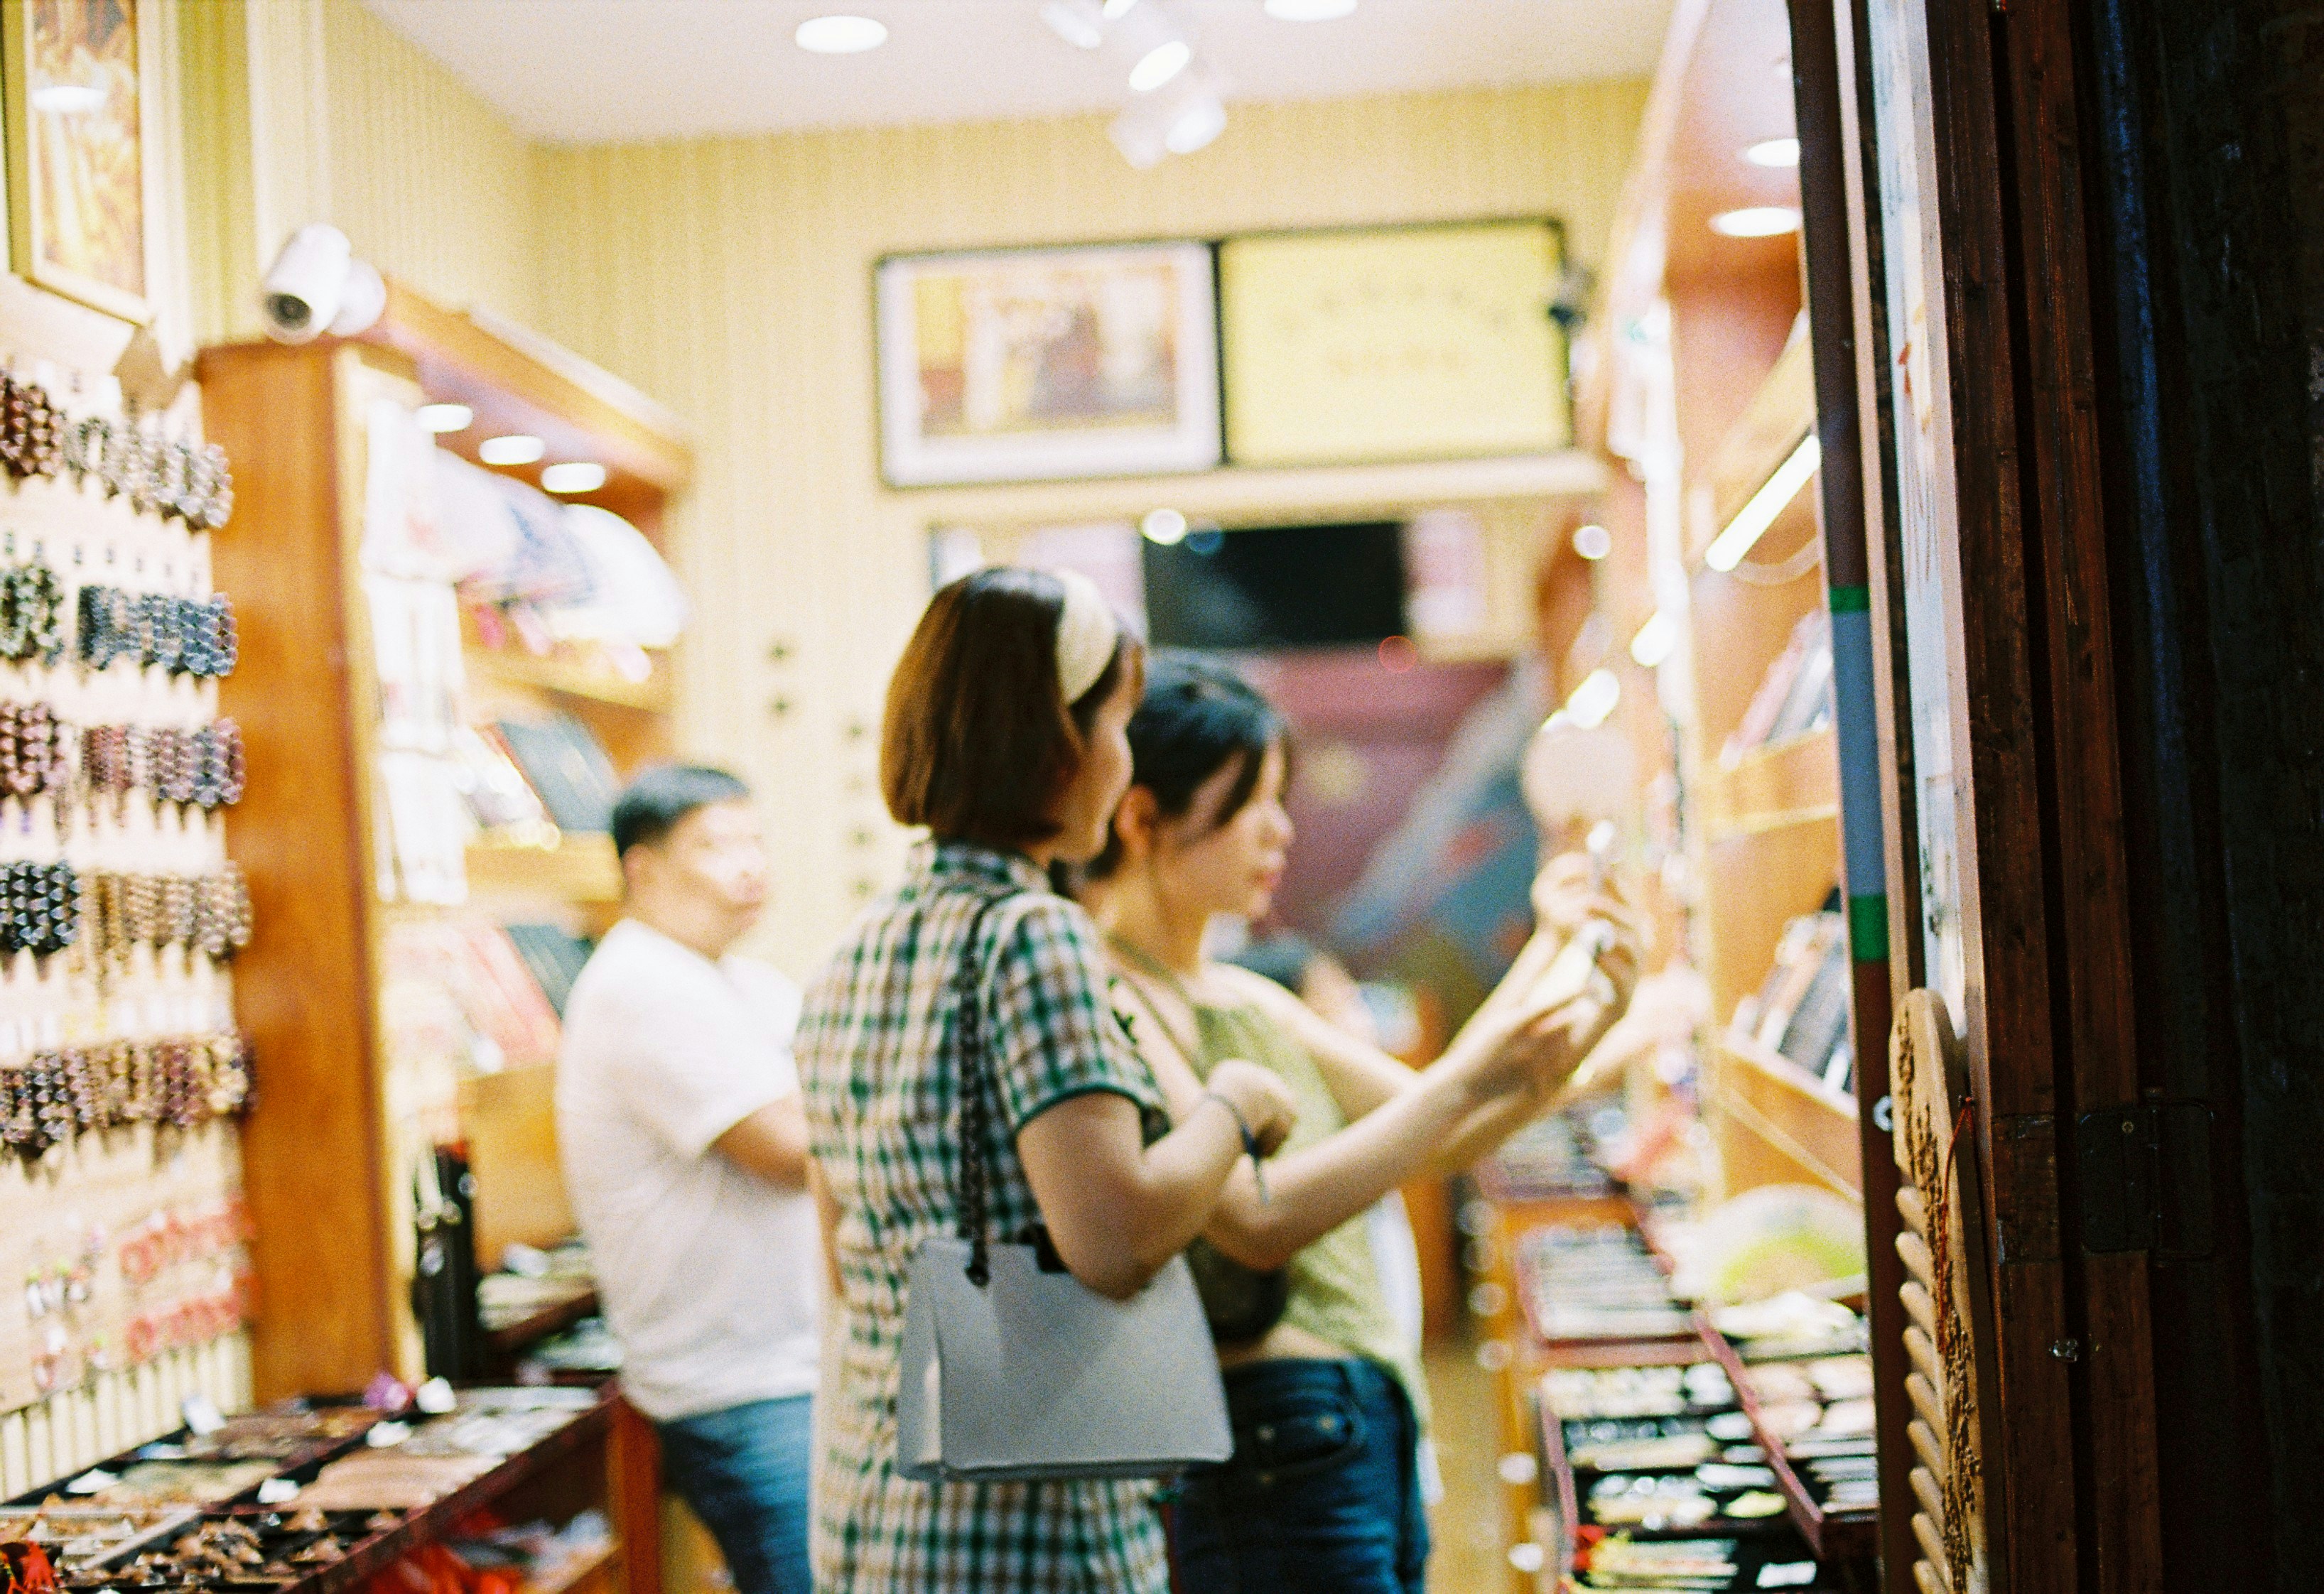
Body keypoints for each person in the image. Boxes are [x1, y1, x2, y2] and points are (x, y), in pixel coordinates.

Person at [792, 565, 1314, 1594]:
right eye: (1115, 724)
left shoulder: (854, 951)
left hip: (875, 1506)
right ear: (1055, 740)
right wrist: (1234, 1106)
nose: (1122, 761)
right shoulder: (1030, 935)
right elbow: (1114, 1240)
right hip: (1024, 1527)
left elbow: (844, 1257)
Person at [1078, 654, 1642, 1594]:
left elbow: (1445, 1126)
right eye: (1252, 802)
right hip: (1271, 1434)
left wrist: (1579, 990)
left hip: (1349, 1412)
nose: (1281, 831)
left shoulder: (1233, 994)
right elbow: (1258, 1220)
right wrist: (1548, 978)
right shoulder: (1109, 994)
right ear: (1141, 818)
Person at [556, 766, 819, 1594]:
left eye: (755, 841)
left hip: (789, 1366)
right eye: (715, 845)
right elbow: (790, 1149)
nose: (748, 866)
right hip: (739, 1385)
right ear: (644, 869)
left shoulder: (740, 982)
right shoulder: (643, 983)